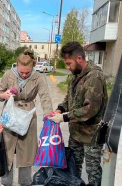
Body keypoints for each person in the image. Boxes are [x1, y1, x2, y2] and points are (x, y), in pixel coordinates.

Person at [49, 42, 108, 185]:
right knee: (73, 168)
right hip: (76, 133)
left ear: (79, 58)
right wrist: (60, 109)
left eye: (69, 64)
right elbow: (69, 98)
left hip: (91, 135)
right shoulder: (76, 75)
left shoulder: (94, 77)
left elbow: (90, 109)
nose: (68, 68)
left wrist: (64, 117)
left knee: (92, 172)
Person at [0, 49, 53, 186]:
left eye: (28, 72)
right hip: (10, 115)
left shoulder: (38, 77)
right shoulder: (8, 74)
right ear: (17, 65)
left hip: (28, 117)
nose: (25, 75)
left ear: (33, 67)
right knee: (7, 150)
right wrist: (4, 95)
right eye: (22, 72)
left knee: (27, 152)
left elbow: (45, 97)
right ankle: (6, 182)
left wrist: (48, 116)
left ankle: (25, 182)